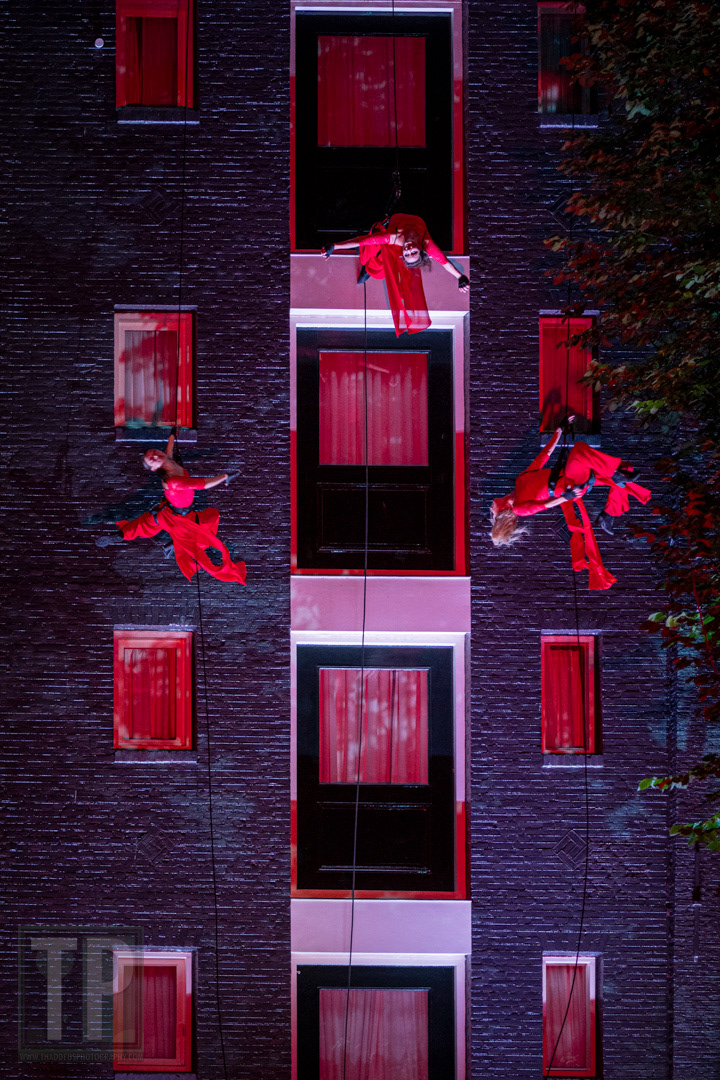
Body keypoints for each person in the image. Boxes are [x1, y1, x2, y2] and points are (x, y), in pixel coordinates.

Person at [490, 418, 651, 590]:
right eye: (492, 514)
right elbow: (546, 505)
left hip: (569, 475)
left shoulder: (520, 480)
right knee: (580, 451)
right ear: (501, 513)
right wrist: (566, 497)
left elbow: (544, 455)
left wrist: (559, 431)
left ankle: (608, 513)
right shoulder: (519, 508)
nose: (490, 509)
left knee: (626, 469)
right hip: (571, 485)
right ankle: (615, 474)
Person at [96, 432, 246, 585]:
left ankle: (123, 534)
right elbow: (203, 484)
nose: (154, 456)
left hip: (165, 511)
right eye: (151, 459)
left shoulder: (170, 464)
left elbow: (169, 453)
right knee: (211, 517)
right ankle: (124, 535)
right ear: (154, 468)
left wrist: (172, 437)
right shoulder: (173, 480)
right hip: (179, 518)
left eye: (154, 453)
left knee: (145, 524)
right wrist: (225, 476)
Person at [322, 213, 469, 336]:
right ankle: (368, 269)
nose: (409, 248)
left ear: (403, 253)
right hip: (395, 226)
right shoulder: (425, 242)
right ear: (420, 248)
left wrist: (334, 247)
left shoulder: (395, 239)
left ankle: (368, 270)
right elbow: (443, 261)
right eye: (413, 252)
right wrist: (460, 277)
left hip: (393, 241)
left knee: (384, 265)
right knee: (376, 254)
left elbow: (362, 241)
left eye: (407, 253)